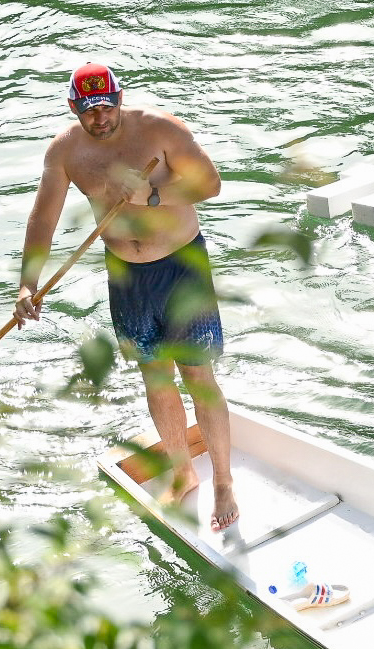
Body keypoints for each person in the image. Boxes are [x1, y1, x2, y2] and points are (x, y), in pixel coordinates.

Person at [17, 63, 238, 529]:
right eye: (89, 110)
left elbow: (210, 185)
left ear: (119, 98)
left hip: (181, 266)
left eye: (106, 105)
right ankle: (182, 474)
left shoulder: (160, 129)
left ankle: (222, 481)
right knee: (155, 377)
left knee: (197, 374)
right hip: (126, 275)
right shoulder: (66, 152)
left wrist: (149, 195)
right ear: (74, 108)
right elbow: (43, 218)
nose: (100, 117)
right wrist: (27, 285)